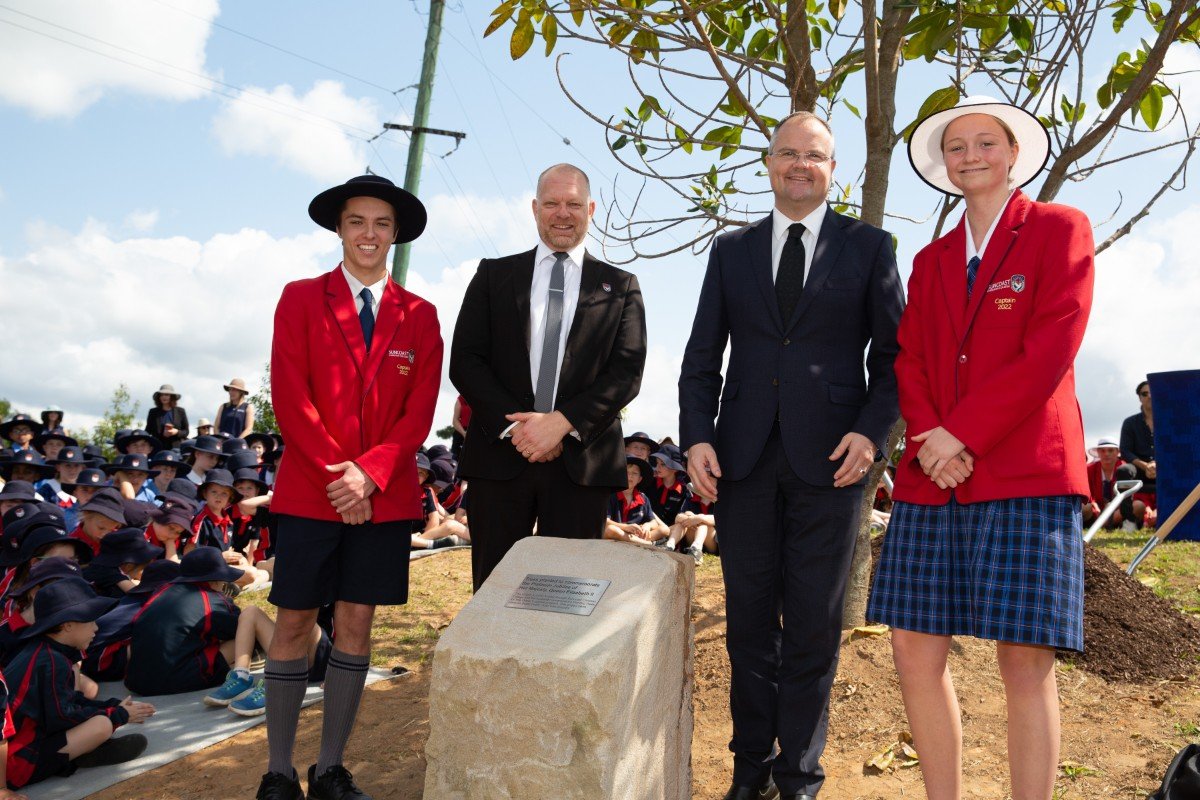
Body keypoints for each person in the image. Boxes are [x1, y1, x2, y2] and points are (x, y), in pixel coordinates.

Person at [866, 96, 1094, 800]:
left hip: (1026, 471)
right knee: (912, 648)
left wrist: (961, 433)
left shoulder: (1059, 229)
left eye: (984, 143)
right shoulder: (931, 260)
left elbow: (1051, 346)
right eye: (956, 146)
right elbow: (910, 360)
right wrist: (934, 439)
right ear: (944, 164)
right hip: (935, 474)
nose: (971, 156)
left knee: (1024, 660)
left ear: (1013, 153)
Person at [678, 110, 904, 800]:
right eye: (787, 154)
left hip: (834, 463)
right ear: (769, 164)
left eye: (815, 156)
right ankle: (749, 772)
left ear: (834, 170)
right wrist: (696, 436)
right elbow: (700, 358)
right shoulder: (730, 250)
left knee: (811, 628)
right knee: (748, 626)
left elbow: (896, 358)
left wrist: (871, 433)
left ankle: (798, 776)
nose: (799, 165)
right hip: (740, 463)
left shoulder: (870, 247)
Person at [260, 173, 442, 800]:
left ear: (396, 235)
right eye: (358, 221)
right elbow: (290, 396)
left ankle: (330, 768)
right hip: (315, 489)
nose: (369, 233)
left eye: (382, 224)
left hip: (384, 495)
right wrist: (344, 474)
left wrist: (371, 474)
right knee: (293, 623)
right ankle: (278, 772)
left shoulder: (419, 315)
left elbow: (418, 412)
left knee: (358, 623)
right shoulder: (300, 298)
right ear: (339, 228)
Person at [449, 163, 648, 592]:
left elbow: (626, 372)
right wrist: (519, 428)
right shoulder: (493, 276)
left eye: (574, 203)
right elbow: (465, 360)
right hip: (500, 459)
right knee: (493, 594)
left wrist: (560, 423)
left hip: (581, 464)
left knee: (567, 601)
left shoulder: (622, 286)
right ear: (535, 209)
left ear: (591, 209)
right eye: (553, 203)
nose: (563, 213)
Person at [5, 577, 155, 789]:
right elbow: (63, 716)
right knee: (101, 725)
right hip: (14, 763)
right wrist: (118, 714)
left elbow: (67, 701)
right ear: (67, 625)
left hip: (19, 748)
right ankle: (79, 754)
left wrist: (110, 705)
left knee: (99, 715)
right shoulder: (53, 660)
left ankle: (81, 751)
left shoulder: (43, 651)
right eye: (91, 621)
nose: (96, 628)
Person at [124, 547, 243, 696]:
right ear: (215, 580)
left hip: (137, 682)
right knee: (244, 634)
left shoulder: (161, 591)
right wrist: (227, 601)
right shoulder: (210, 598)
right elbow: (239, 626)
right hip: (179, 682)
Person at [1082, 436, 1142, 530]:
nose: (1106, 454)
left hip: (1118, 512)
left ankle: (1103, 524)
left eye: (1110, 450)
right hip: (1096, 512)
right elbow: (1085, 491)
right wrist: (1093, 503)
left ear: (1118, 452)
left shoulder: (1126, 469)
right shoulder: (1089, 469)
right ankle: (1099, 524)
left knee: (1138, 505)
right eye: (1102, 450)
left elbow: (1133, 496)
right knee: (1084, 506)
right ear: (1098, 452)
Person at [145, 384, 189, 449]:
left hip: (176, 448)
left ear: (172, 397)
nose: (164, 397)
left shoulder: (180, 411)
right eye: (162, 395)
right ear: (159, 397)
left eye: (166, 395)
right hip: (158, 448)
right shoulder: (153, 412)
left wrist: (176, 432)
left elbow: (186, 431)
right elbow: (148, 430)